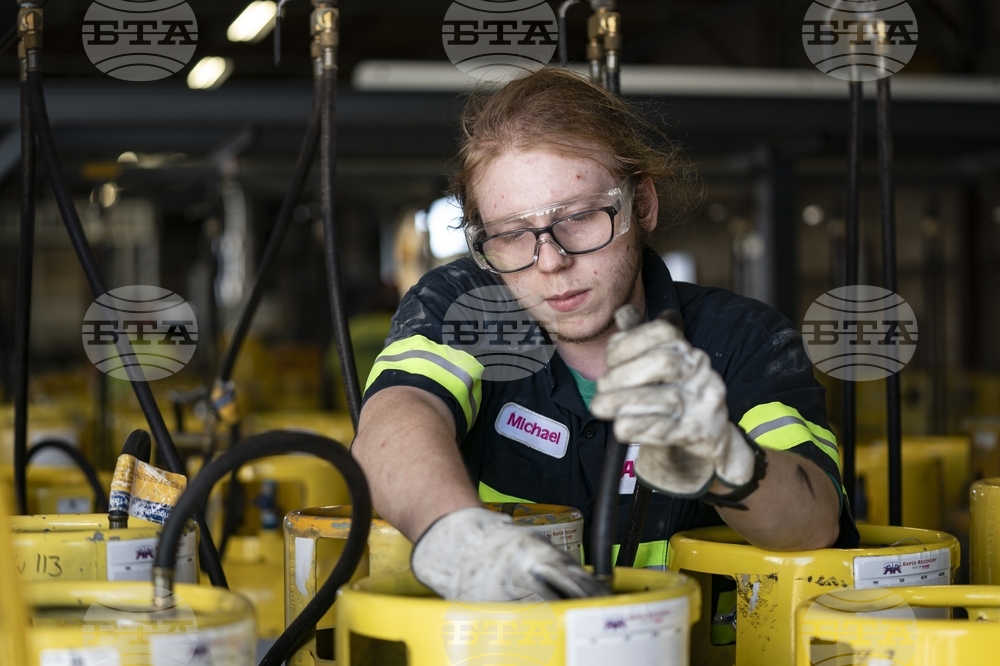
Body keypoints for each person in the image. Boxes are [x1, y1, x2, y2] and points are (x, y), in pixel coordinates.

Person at [352, 67, 859, 602]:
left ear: (643, 205)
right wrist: (454, 530)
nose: (550, 260)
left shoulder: (742, 338)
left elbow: (814, 523)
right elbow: (395, 419)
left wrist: (724, 458)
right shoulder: (469, 307)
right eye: (510, 235)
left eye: (581, 217)